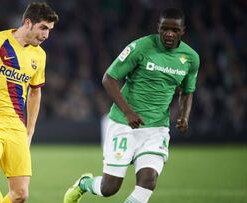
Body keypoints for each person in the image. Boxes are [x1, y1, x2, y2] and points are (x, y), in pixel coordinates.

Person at [64, 8, 199, 203]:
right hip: (124, 124)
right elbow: (108, 78)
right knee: (109, 188)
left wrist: (184, 116)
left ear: (183, 30)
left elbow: (187, 92)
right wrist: (128, 112)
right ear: (158, 28)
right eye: (164, 28)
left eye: (174, 30)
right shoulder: (140, 47)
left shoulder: (191, 58)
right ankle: (84, 184)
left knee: (148, 180)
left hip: (156, 128)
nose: (169, 33)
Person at [0, 2, 58, 203]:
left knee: (20, 195)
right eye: (43, 28)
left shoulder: (39, 56)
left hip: (16, 126)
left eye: (49, 30)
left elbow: (35, 93)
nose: (46, 35)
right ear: (27, 23)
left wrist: (30, 130)